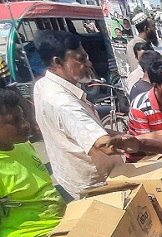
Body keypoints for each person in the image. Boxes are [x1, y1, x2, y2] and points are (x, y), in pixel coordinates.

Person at [33, 30, 132, 199]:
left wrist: (132, 135)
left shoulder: (43, 85)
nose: (88, 63)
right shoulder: (62, 101)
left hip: (79, 180)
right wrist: (153, 142)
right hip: (97, 187)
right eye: (80, 59)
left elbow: (92, 130)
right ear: (57, 62)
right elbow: (103, 144)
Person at [0, 89, 66, 237]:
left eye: (23, 116)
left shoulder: (20, 145)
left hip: (58, 229)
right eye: (14, 121)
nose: (25, 124)